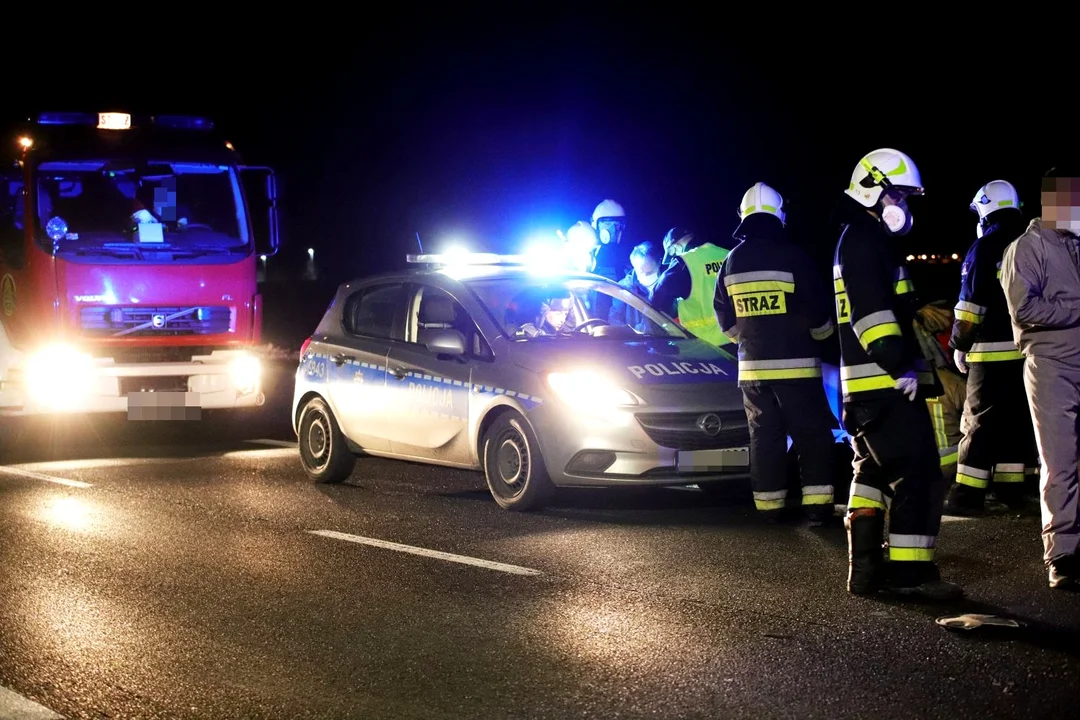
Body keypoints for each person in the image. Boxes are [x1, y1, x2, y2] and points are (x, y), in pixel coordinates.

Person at [833, 148, 962, 600]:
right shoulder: (866, 241)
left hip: (863, 387)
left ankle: (864, 573)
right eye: (899, 196)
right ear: (875, 189)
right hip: (884, 381)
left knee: (871, 471)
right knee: (920, 473)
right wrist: (899, 365)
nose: (904, 206)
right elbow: (872, 317)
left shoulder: (860, 239)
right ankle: (912, 576)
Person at [713, 182, 838, 525]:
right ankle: (817, 508)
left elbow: (723, 317)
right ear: (778, 216)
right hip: (797, 367)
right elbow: (818, 312)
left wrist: (751, 340)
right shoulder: (794, 256)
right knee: (811, 435)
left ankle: (769, 509)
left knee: (764, 438)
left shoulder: (731, 261)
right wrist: (821, 337)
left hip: (752, 371)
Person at [999, 165, 1080, 590]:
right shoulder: (1026, 248)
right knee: (1059, 459)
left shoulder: (1075, 243)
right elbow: (1023, 310)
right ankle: (1063, 553)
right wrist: (1075, 311)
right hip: (1051, 365)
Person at [947, 180, 1039, 515]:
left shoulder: (984, 247)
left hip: (988, 353)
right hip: (1028, 354)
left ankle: (966, 496)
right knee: (1017, 421)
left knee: (979, 422)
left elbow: (971, 305)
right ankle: (1011, 490)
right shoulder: (1032, 243)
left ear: (985, 207)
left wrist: (958, 344)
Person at [651, 229, 732, 350]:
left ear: (676, 246)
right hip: (735, 340)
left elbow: (656, 299)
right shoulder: (728, 255)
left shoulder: (684, 262)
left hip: (702, 346)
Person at [609, 241, 663, 331]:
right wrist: (633, 333)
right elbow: (614, 319)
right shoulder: (624, 288)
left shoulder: (668, 284)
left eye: (649, 272)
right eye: (640, 272)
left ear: (659, 262)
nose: (645, 276)